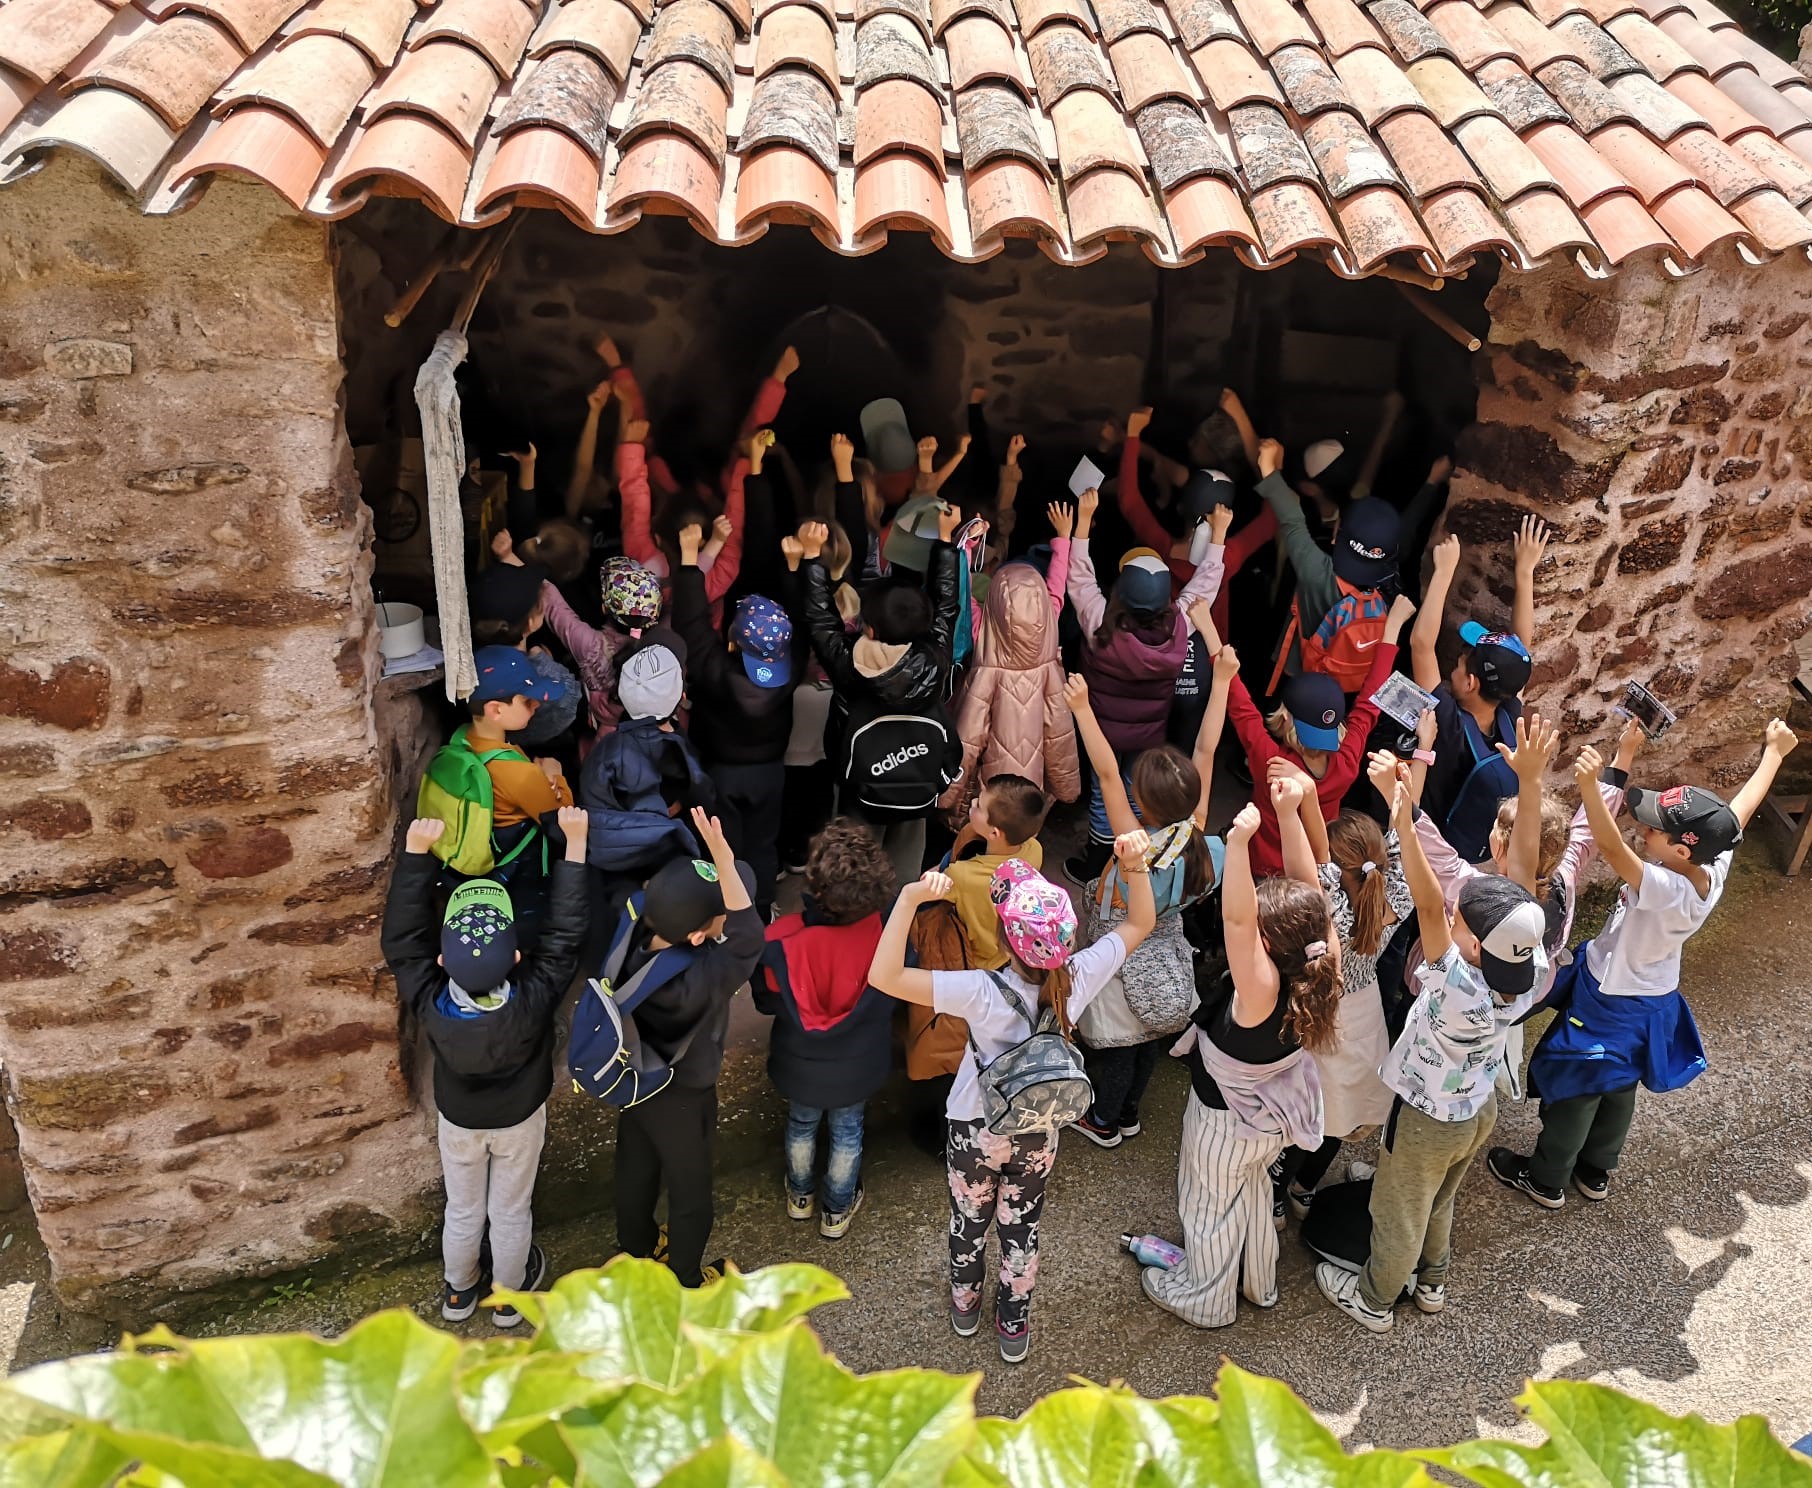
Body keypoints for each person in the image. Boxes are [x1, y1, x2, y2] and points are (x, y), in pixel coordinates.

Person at [867, 833, 1158, 1364]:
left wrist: (909, 899)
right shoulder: (1078, 976)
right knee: (1021, 1227)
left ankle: (965, 1303)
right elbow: (1140, 924)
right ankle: (1014, 1323)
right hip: (1040, 1126)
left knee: (968, 1220)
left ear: (1004, 933)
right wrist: (1135, 866)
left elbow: (882, 976)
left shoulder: (979, 990)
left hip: (976, 1128)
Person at [1490, 719, 1799, 1208]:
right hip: (1653, 999)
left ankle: (1547, 1178)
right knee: (1619, 1086)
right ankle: (1596, 1171)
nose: (1643, 827)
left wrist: (1590, 788)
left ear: (1680, 849)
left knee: (1579, 1082)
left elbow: (1610, 847)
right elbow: (1736, 816)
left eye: (1653, 829)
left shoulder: (1665, 889)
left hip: (1610, 998)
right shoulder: (1711, 866)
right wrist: (1774, 755)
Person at [1317, 770, 1547, 1333]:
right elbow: (1518, 889)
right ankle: (1432, 1281)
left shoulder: (1457, 985)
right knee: (1440, 1196)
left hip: (1427, 1119)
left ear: (1471, 944)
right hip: (1475, 1111)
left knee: (1399, 1211)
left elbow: (1424, 899)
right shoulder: (1531, 970)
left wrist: (1402, 818)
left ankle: (1374, 1297)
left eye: (1458, 920)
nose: (1447, 917)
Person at [381, 806, 590, 1326]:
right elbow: (564, 938)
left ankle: (459, 1294)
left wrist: (415, 857)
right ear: (517, 959)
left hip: (461, 1122)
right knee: (511, 1211)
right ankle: (507, 1300)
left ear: (444, 962)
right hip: (519, 1118)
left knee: (464, 1210)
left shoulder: (431, 1000)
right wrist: (576, 847)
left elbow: (403, 945)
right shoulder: (534, 997)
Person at [1140, 799, 1340, 1329]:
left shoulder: (1261, 991)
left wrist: (1237, 844)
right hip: (1274, 1117)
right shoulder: (1322, 963)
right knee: (1250, 1193)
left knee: (1208, 1209)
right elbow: (1312, 890)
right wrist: (1290, 813)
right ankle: (1259, 1282)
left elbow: (1235, 919)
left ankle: (1206, 1299)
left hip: (1224, 1121)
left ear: (1267, 942)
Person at [1062, 633, 1229, 1150]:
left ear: (1141, 804)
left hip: (1123, 948)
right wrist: (1220, 681)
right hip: (1167, 946)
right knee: (1147, 1037)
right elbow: (1206, 745)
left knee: (1116, 1042)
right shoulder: (1198, 833)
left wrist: (1083, 708)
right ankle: (1131, 1110)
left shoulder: (1134, 846)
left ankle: (1104, 1121)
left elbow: (1106, 770)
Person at [611, 808, 766, 1287]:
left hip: (634, 1076)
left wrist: (715, 865)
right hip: (682, 1090)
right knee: (691, 1190)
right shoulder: (698, 978)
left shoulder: (635, 926)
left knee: (635, 1164)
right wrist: (720, 852)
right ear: (699, 934)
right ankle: (685, 1281)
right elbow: (747, 937)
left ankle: (636, 1244)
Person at [1065, 484, 1229, 882]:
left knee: (1103, 789)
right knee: (1133, 787)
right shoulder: (1179, 630)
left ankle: (1097, 860)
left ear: (1120, 592)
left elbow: (1080, 580)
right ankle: (1138, 854)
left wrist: (1083, 522)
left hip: (1102, 727)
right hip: (1148, 732)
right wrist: (1218, 536)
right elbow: (1203, 589)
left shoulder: (1099, 625)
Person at [1276, 752, 1414, 1221]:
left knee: (1307, 1109)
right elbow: (1400, 843)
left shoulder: (1327, 907)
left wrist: (1308, 797)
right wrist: (1399, 791)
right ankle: (1304, 1187)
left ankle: (1276, 1192)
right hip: (1365, 1011)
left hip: (1324, 1012)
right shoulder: (1399, 893)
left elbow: (1317, 863)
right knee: (1341, 1110)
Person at [797, 512, 964, 888]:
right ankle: (896, 928)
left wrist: (811, 559)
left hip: (860, 789)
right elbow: (948, 603)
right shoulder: (935, 658)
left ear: (868, 628)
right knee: (905, 873)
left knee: (854, 870)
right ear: (926, 625)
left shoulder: (848, 664)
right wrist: (945, 542)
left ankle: (858, 929)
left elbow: (820, 621)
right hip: (916, 788)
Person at [755, 820, 897, 1238]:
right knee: (848, 1129)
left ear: (815, 885)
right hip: (858, 1063)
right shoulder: (887, 936)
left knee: (801, 1123)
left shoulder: (779, 940)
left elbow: (767, 1001)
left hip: (800, 1062)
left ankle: (800, 1197)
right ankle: (836, 1210)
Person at [1222, 597, 1415, 877]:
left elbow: (1242, 711)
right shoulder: (1346, 763)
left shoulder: (1272, 763)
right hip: (1308, 866)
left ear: (1285, 718)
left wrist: (1214, 642)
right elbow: (1369, 704)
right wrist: (1393, 625)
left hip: (1259, 866)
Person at [670, 516, 800, 919]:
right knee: (763, 844)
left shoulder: (716, 673)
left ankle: (726, 908)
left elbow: (691, 625)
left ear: (731, 642)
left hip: (721, 775)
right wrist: (797, 568)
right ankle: (761, 909)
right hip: (769, 774)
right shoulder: (790, 673)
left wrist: (690, 559)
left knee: (723, 844)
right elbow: (805, 624)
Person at [1407, 523, 1548, 862]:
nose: (1453, 667)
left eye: (1458, 665)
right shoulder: (1509, 712)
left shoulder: (1448, 723)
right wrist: (1525, 572)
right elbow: (1521, 651)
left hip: (1428, 843)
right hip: (1465, 849)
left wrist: (1443, 572)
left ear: (1471, 683)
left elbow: (1420, 645)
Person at [943, 557, 1081, 823]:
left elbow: (969, 740)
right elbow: (1059, 734)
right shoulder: (1048, 653)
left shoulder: (984, 643)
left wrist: (947, 793)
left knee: (988, 836)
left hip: (991, 791)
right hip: (1031, 787)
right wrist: (1067, 787)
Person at [577, 643, 715, 882]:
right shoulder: (681, 752)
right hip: (666, 861)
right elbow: (705, 800)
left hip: (614, 866)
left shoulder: (605, 750)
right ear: (679, 696)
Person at [469, 551, 580, 754]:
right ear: (531, 622)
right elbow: (570, 702)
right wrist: (544, 660)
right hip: (540, 745)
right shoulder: (543, 671)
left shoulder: (472, 662)